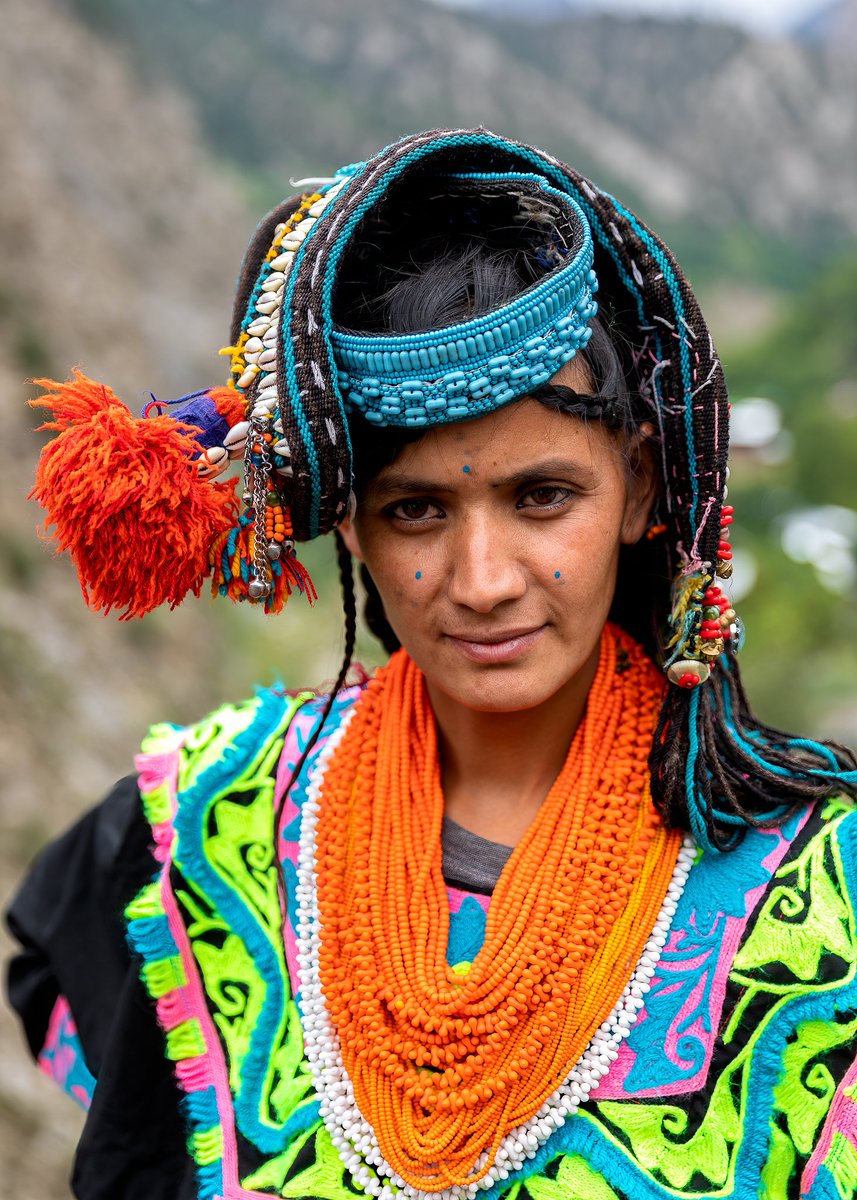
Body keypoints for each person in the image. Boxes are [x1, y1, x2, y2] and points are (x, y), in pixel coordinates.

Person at [7, 127, 857, 1200]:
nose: (482, 576)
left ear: (639, 489)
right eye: (415, 510)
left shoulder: (824, 889)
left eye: (541, 496)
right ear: (351, 530)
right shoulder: (204, 828)